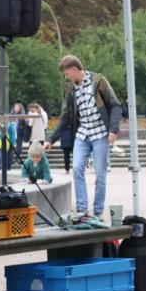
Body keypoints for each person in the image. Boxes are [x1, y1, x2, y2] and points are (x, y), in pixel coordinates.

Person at [46, 55, 122, 222]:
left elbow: (115, 105)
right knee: (77, 168)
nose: (66, 77)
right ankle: (82, 210)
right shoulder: (71, 89)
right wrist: (51, 140)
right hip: (82, 134)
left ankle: (97, 212)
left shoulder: (99, 80)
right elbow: (65, 117)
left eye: (66, 74)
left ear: (74, 69)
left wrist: (114, 129)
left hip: (101, 134)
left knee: (100, 175)